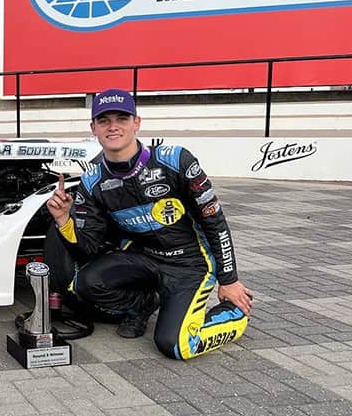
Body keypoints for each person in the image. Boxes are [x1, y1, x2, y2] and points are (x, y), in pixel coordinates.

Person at [44, 88, 252, 359]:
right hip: (143, 260)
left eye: (122, 118)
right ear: (93, 127)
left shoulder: (176, 160)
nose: (113, 126)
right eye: (105, 120)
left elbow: (214, 221)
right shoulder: (92, 180)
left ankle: (233, 316)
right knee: (83, 284)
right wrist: (63, 220)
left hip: (189, 265)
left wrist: (229, 280)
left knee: (176, 345)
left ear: (137, 123)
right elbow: (89, 250)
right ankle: (143, 304)